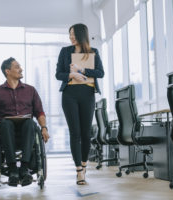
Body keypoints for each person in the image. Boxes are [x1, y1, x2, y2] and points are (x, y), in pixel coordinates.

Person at [0, 57, 50, 187]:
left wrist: (44, 128)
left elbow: (40, 112)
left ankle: (24, 168)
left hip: (27, 133)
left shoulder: (30, 90)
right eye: (17, 67)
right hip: (6, 133)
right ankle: (13, 169)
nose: (21, 69)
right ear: (7, 71)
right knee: (6, 123)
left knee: (30, 123)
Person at [56, 23, 104, 185]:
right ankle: (78, 171)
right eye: (69, 34)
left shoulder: (93, 52)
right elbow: (58, 74)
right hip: (70, 95)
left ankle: (84, 165)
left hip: (88, 94)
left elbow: (100, 73)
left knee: (85, 133)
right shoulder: (65, 51)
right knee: (75, 133)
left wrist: (82, 70)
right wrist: (71, 75)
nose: (71, 37)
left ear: (81, 35)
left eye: (74, 34)